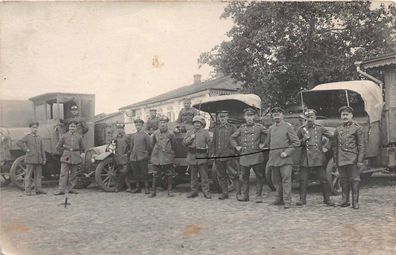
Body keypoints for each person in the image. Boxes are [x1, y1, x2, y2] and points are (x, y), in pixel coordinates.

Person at [296, 109, 334, 206]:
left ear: (315, 118)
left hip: (318, 157)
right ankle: (302, 200)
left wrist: (327, 147)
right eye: (308, 117)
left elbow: (332, 137)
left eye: (312, 117)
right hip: (306, 158)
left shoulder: (320, 128)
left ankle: (327, 199)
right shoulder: (301, 129)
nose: (310, 119)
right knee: (303, 179)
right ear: (305, 118)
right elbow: (296, 143)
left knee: (323, 179)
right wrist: (303, 140)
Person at [230, 108, 267, 203]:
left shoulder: (259, 127)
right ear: (245, 117)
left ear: (254, 116)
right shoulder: (242, 128)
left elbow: (269, 134)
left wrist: (264, 144)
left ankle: (258, 196)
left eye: (251, 115)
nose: (249, 118)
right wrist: (237, 147)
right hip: (245, 155)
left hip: (256, 155)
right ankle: (245, 195)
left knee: (259, 176)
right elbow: (232, 137)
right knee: (244, 177)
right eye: (247, 115)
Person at [266, 107, 300, 209]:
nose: (277, 116)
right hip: (274, 159)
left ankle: (287, 201)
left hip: (285, 159)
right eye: (275, 115)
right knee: (276, 181)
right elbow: (268, 143)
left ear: (282, 115)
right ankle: (278, 199)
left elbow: (296, 142)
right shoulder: (271, 128)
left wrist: (286, 152)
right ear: (272, 116)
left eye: (279, 114)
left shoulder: (288, 127)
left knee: (286, 180)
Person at [333, 106, 365, 209]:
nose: (345, 117)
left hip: (353, 158)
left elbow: (361, 145)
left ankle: (355, 202)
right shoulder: (338, 129)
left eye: (347, 114)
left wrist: (360, 160)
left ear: (351, 115)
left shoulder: (357, 128)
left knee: (355, 180)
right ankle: (344, 201)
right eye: (343, 115)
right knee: (343, 180)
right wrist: (335, 160)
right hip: (341, 159)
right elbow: (335, 146)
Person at [183, 115, 211, 199]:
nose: (197, 124)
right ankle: (193, 191)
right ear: (193, 124)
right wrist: (190, 138)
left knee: (204, 176)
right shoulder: (189, 132)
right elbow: (184, 143)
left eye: (199, 123)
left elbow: (209, 144)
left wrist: (209, 156)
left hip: (202, 156)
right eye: (195, 123)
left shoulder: (205, 133)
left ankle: (206, 192)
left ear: (202, 124)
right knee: (193, 176)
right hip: (192, 157)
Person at [54, 121, 85, 195]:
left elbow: (83, 147)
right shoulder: (64, 136)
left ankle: (71, 189)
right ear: (68, 127)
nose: (72, 128)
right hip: (66, 157)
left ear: (76, 128)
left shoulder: (79, 136)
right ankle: (61, 190)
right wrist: (64, 152)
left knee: (73, 174)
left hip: (75, 157)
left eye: (74, 127)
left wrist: (82, 153)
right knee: (63, 174)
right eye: (71, 126)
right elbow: (58, 147)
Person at [16, 121, 47, 195]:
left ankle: (38, 190)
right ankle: (27, 191)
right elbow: (19, 142)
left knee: (38, 176)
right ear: (30, 128)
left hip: (39, 159)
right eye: (33, 127)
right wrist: (26, 149)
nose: (35, 129)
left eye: (36, 127)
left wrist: (44, 159)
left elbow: (42, 149)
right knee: (28, 175)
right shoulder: (27, 137)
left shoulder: (39, 138)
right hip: (30, 159)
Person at [149, 116, 177, 197]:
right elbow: (152, 144)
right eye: (161, 122)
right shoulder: (155, 133)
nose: (163, 124)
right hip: (157, 156)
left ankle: (170, 191)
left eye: (164, 122)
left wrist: (171, 153)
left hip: (167, 156)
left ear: (167, 124)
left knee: (169, 174)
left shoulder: (171, 134)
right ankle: (153, 192)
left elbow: (174, 145)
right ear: (159, 124)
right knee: (155, 174)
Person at [130, 118, 151, 194]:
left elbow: (149, 146)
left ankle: (146, 187)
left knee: (144, 173)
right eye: (136, 125)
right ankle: (138, 187)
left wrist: (146, 154)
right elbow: (131, 146)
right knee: (136, 174)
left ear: (142, 126)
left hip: (142, 157)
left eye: (139, 125)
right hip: (134, 157)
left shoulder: (145, 135)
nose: (137, 126)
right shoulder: (133, 135)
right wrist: (132, 154)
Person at [109, 123, 131, 192]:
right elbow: (111, 149)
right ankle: (129, 187)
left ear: (123, 129)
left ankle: (118, 187)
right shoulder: (115, 138)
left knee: (123, 172)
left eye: (121, 128)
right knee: (125, 174)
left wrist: (127, 154)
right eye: (118, 129)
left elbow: (131, 147)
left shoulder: (127, 137)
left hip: (125, 158)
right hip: (118, 159)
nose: (120, 130)